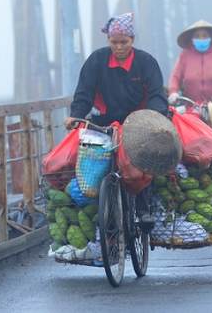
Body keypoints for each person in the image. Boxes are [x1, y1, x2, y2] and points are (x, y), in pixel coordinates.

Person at [65, 12, 168, 228]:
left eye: (124, 42)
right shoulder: (96, 60)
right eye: (114, 42)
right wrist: (76, 115)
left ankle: (143, 206)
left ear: (132, 40)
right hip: (104, 121)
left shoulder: (146, 62)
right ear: (108, 41)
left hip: (138, 122)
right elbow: (84, 92)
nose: (119, 47)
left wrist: (156, 116)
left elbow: (156, 94)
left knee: (142, 162)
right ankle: (104, 206)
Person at [166, 20, 212, 179]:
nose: (201, 38)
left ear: (211, 38)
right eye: (198, 36)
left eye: (204, 35)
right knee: (190, 141)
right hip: (193, 107)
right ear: (192, 39)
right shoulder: (185, 56)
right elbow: (175, 76)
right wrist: (173, 92)